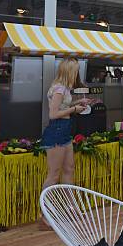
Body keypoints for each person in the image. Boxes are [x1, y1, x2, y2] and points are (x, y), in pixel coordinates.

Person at [40, 58, 88, 229]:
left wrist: (76, 103)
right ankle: (44, 214)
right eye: (75, 70)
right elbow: (53, 114)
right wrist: (74, 109)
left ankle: (70, 207)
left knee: (69, 169)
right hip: (57, 131)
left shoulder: (63, 88)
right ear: (69, 71)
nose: (77, 74)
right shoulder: (60, 88)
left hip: (64, 131)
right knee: (54, 174)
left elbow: (61, 107)